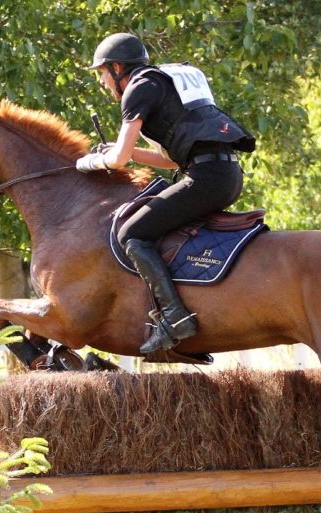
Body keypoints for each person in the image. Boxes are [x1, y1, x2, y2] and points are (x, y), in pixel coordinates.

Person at [76, 32, 255, 354]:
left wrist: (90, 161)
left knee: (132, 233)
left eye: (102, 73)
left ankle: (175, 318)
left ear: (117, 68)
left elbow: (116, 161)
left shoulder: (139, 88)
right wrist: (124, 152)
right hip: (223, 173)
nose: (102, 83)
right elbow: (170, 159)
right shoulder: (159, 83)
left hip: (207, 178)